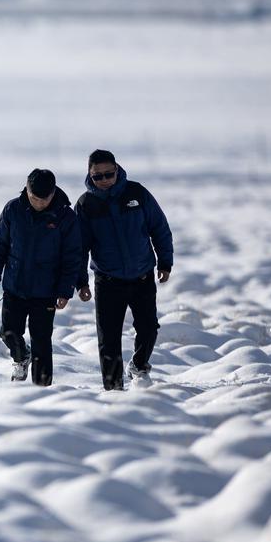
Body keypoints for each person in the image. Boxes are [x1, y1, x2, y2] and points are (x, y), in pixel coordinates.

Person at [75, 149, 173, 391]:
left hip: (142, 277)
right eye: (98, 177)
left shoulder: (136, 193)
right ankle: (113, 391)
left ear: (117, 170)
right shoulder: (86, 205)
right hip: (108, 281)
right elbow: (77, 248)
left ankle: (139, 366)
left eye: (109, 174)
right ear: (90, 175)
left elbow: (159, 227)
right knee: (108, 340)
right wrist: (81, 282)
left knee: (149, 329)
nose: (105, 180)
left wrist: (165, 262)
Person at [0, 169, 82, 386]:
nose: (39, 203)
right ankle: (21, 357)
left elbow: (72, 257)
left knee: (41, 342)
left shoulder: (66, 216)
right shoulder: (13, 209)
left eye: (44, 199)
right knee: (9, 332)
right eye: (34, 198)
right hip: (14, 287)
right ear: (26, 190)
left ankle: (43, 388)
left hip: (45, 291)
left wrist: (65, 290)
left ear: (53, 192)